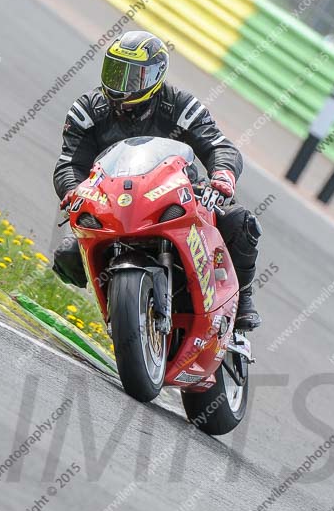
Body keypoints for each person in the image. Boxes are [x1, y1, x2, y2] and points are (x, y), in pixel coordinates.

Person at [52, 30, 262, 330]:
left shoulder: (179, 105)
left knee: (240, 221)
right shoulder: (88, 110)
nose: (121, 84)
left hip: (177, 197)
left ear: (155, 76)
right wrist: (73, 191)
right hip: (116, 202)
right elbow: (70, 163)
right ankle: (121, 305)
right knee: (68, 255)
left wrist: (223, 174)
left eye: (132, 76)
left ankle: (243, 298)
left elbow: (219, 146)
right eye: (115, 71)